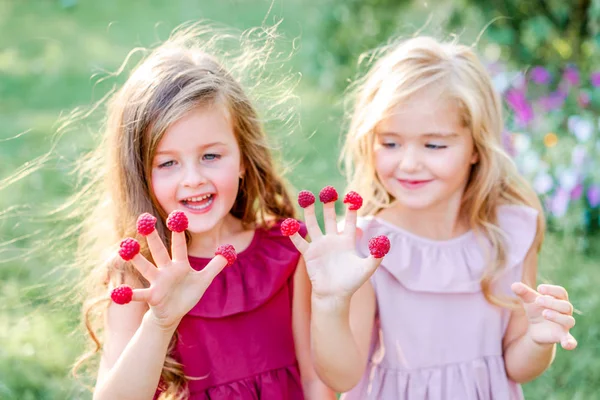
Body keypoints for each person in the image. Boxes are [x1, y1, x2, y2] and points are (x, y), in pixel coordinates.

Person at [287, 36, 577, 399]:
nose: (408, 163)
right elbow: (342, 376)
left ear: (476, 147)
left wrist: (539, 338)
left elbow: (517, 366)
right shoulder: (363, 247)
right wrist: (330, 305)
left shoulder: (510, 233)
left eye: (434, 145)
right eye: (390, 143)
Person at [71, 24, 334, 400]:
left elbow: (315, 382)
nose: (193, 179)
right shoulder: (138, 276)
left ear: (243, 158)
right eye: (168, 163)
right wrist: (160, 323)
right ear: (141, 175)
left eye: (211, 156)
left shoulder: (287, 253)